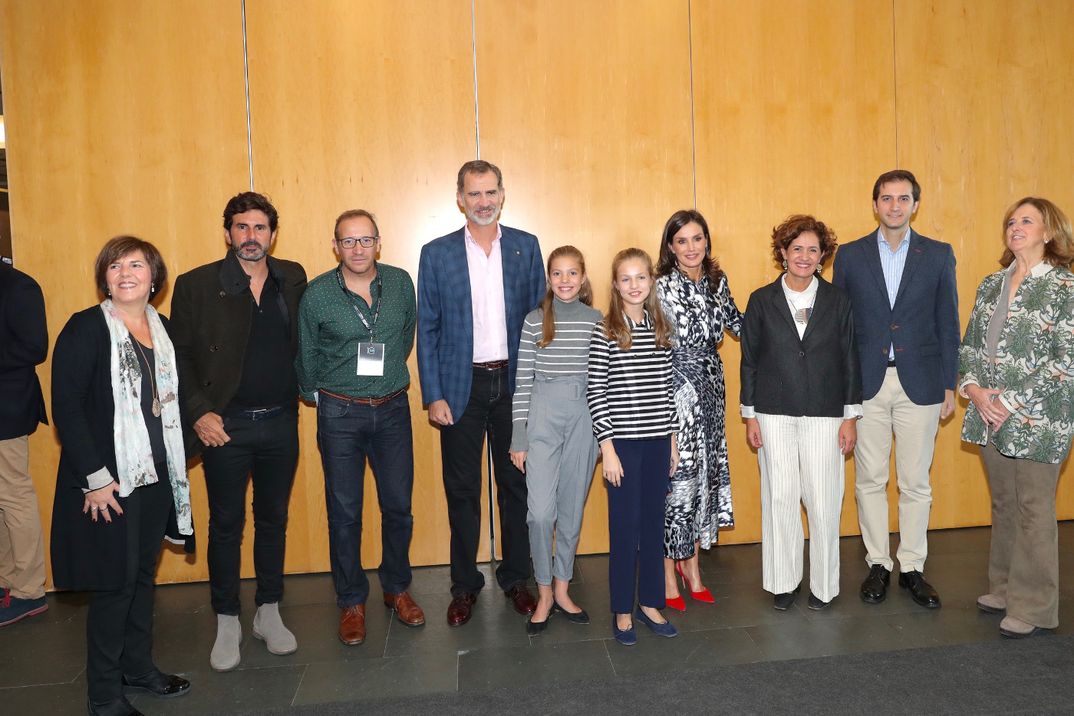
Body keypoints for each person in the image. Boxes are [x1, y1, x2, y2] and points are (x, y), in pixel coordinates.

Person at [50, 236, 193, 715]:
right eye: (115, 266)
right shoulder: (86, 329)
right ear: (104, 277)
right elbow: (67, 408)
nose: (126, 273)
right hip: (108, 483)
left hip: (155, 476)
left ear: (155, 278)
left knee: (142, 579)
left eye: (136, 264)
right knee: (114, 585)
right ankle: (104, 694)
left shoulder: (164, 330)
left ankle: (138, 668)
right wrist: (94, 476)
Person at [170, 192, 307, 671]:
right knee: (226, 525)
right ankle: (227, 617)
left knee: (273, 520)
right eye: (242, 228)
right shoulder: (196, 285)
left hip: (280, 422)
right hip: (223, 427)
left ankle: (268, 610)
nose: (252, 237)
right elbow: (179, 357)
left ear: (273, 233)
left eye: (261, 228)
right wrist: (199, 412)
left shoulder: (292, 277)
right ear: (228, 232)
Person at [417, 160, 544, 626]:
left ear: (503, 194)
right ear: (460, 199)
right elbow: (427, 329)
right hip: (460, 388)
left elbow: (538, 323)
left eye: (491, 192)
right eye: (474, 194)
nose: (484, 202)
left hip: (514, 385)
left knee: (516, 487)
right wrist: (434, 394)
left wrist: (537, 389)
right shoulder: (437, 253)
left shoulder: (526, 248)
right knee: (462, 491)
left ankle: (516, 579)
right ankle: (464, 586)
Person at [296, 209, 424, 646]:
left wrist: (384, 377)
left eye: (365, 240)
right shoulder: (316, 294)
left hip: (392, 410)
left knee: (398, 506)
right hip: (340, 413)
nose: (357, 249)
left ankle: (397, 588)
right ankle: (351, 600)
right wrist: (323, 394)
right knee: (345, 513)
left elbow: (406, 335)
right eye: (348, 241)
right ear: (335, 246)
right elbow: (306, 353)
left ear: (378, 242)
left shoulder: (401, 283)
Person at [833, 169, 958, 609]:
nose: (894, 206)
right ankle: (878, 563)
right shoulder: (849, 256)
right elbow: (841, 326)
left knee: (915, 481)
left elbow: (947, 321)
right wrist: (843, 389)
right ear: (875, 204)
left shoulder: (939, 255)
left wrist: (949, 383)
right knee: (869, 478)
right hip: (867, 383)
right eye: (886, 198)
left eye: (903, 199)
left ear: (915, 205)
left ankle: (913, 567)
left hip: (920, 382)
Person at [959, 197, 1074, 638]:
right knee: (1004, 504)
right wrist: (973, 389)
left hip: (1040, 419)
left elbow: (1065, 360)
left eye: (1027, 221)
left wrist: (1010, 401)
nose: (1015, 227)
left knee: (1033, 509)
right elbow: (969, 344)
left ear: (1049, 233)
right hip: (988, 413)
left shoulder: (1064, 287)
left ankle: (1036, 607)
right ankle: (1004, 587)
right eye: (1011, 221)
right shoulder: (992, 283)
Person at [740, 215, 861, 611]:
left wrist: (849, 416)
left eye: (813, 249)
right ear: (782, 253)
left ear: (823, 255)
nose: (804, 256)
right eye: (797, 249)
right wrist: (750, 415)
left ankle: (824, 587)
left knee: (824, 501)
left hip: (826, 413)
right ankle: (783, 581)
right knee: (781, 497)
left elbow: (850, 359)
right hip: (773, 413)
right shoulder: (761, 300)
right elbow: (749, 360)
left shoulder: (838, 300)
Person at [588, 247, 679, 646]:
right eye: (626, 279)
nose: (634, 285)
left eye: (641, 277)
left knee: (652, 526)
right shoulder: (606, 330)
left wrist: (673, 442)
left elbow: (667, 390)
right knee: (625, 529)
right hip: (622, 446)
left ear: (651, 281)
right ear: (615, 285)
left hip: (659, 442)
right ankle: (623, 610)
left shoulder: (661, 328)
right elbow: (596, 392)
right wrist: (607, 448)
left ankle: (651, 603)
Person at [509, 245, 602, 634]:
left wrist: (604, 434)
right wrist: (519, 437)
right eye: (557, 274)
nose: (565, 281)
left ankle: (562, 590)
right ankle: (543, 591)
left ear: (583, 279)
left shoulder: (596, 320)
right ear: (549, 279)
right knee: (540, 513)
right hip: (542, 416)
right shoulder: (534, 321)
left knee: (570, 511)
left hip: (583, 415)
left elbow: (604, 380)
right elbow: (522, 383)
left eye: (572, 273)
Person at [655, 209, 742, 611]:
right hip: (675, 389)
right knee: (678, 480)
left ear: (707, 241)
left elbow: (740, 326)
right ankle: (667, 572)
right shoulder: (658, 287)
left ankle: (692, 566)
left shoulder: (716, 282)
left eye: (697, 238)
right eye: (682, 240)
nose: (691, 247)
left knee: (704, 474)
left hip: (712, 386)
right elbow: (650, 346)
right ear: (670, 247)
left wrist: (792, 305)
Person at [0, 261, 49, 627]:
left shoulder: (19, 286)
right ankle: (6, 581)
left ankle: (29, 591)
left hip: (7, 408)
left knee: (13, 494)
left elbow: (35, 348)